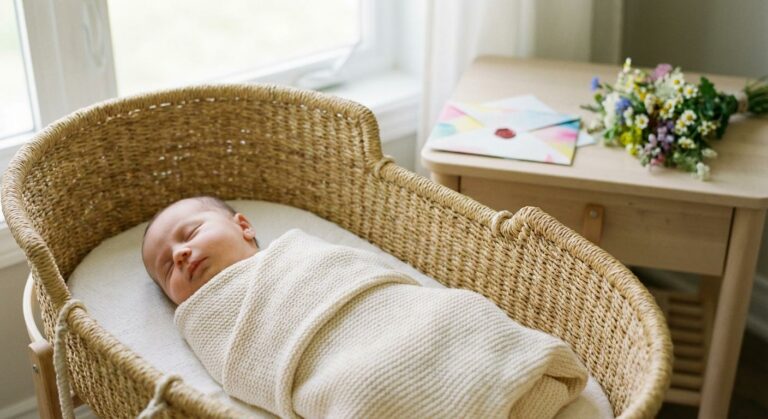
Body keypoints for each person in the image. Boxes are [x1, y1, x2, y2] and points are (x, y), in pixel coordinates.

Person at [141, 196, 588, 419]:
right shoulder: (205, 319)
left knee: (459, 311)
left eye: (191, 232)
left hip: (398, 310)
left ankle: (511, 367)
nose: (181, 254)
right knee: (367, 391)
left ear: (243, 226)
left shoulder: (299, 251)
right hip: (344, 367)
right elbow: (243, 365)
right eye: (166, 269)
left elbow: (359, 269)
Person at [141, 196, 259, 305]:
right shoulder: (195, 321)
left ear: (243, 227)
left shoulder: (276, 258)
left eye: (191, 233)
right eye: (169, 268)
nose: (178, 254)